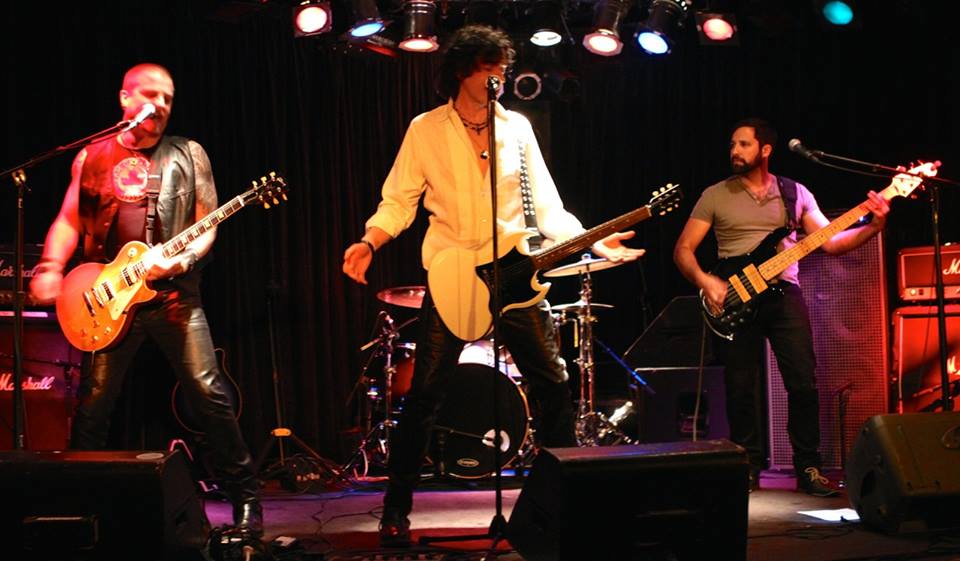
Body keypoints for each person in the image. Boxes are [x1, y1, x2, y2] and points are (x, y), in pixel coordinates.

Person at [342, 25, 644, 546]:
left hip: (513, 273)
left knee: (554, 386)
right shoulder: (426, 129)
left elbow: (547, 206)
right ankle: (396, 510)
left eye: (502, 68)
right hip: (453, 272)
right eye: (489, 68)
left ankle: (560, 505)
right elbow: (398, 201)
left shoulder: (517, 128)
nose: (498, 77)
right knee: (425, 394)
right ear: (464, 71)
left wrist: (594, 242)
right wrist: (370, 241)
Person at [30, 63, 262, 536]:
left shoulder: (188, 153)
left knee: (208, 393)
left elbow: (207, 223)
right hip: (109, 299)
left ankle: (246, 500)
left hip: (174, 297)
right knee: (93, 405)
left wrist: (178, 262)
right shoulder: (91, 156)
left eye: (168, 98)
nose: (160, 105)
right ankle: (79, 504)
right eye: (151, 94)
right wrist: (51, 265)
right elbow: (69, 220)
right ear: (125, 98)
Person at [673, 118, 889, 497]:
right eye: (732, 144)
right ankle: (748, 466)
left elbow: (830, 242)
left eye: (743, 144)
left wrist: (873, 226)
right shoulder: (715, 195)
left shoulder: (794, 193)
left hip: (784, 294)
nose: (734, 151)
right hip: (735, 297)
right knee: (740, 386)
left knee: (803, 382)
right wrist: (707, 281)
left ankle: (808, 467)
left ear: (765, 150)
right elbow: (683, 250)